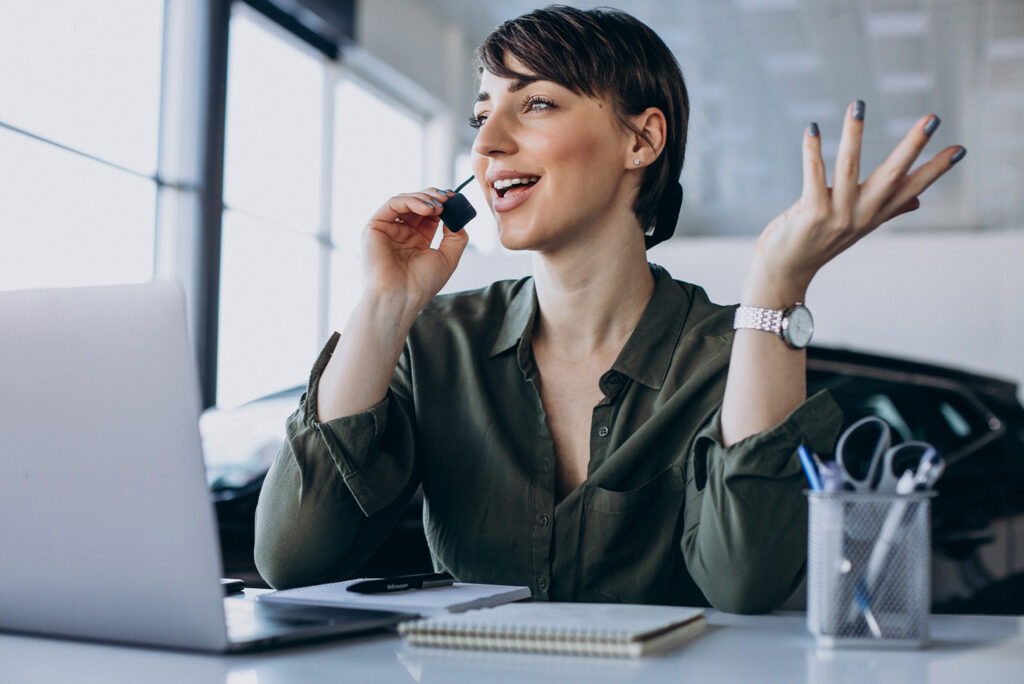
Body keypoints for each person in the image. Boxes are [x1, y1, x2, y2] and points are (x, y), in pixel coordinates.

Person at [254, 5, 964, 613]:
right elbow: (292, 561)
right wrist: (386, 301)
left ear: (641, 140)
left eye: (534, 103)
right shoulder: (437, 341)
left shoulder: (729, 351)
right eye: (482, 113)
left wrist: (777, 287)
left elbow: (746, 582)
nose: (487, 142)